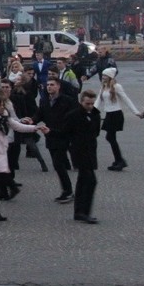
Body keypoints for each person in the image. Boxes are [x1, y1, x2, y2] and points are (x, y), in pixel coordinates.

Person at [34, 78, 78, 203]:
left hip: (63, 136)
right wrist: (32, 120)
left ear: (58, 86)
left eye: (52, 85)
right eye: (47, 85)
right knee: (57, 165)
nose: (49, 87)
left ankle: (68, 191)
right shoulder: (44, 100)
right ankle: (66, 190)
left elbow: (72, 118)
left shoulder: (67, 101)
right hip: (50, 136)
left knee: (59, 163)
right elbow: (39, 115)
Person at [62, 90, 102, 224]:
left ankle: (80, 212)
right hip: (79, 151)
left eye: (91, 103)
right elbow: (65, 132)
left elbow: (96, 132)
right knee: (90, 180)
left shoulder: (96, 114)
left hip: (90, 151)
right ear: (81, 102)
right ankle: (83, 212)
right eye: (87, 103)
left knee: (83, 181)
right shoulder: (73, 115)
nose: (90, 106)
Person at [96, 67, 138, 171]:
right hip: (109, 114)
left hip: (116, 114)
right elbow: (98, 100)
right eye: (102, 75)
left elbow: (126, 99)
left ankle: (120, 160)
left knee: (110, 137)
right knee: (110, 137)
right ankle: (118, 160)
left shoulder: (116, 86)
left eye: (105, 75)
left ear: (110, 76)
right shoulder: (103, 86)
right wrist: (91, 111)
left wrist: (135, 112)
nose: (103, 77)